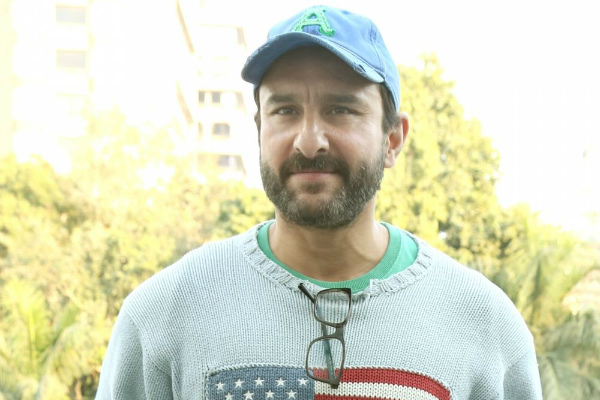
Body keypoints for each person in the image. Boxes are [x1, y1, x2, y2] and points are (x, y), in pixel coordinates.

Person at [95, 5, 543, 399]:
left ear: (392, 138)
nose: (309, 142)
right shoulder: (162, 314)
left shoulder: (486, 326)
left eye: (341, 109)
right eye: (285, 110)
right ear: (259, 130)